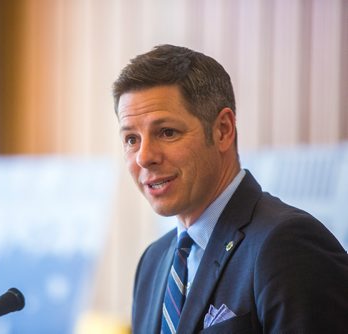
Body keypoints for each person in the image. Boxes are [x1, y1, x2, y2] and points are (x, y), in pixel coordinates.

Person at [112, 44, 348, 334]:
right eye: (131, 139)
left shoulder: (287, 243)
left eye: (167, 132)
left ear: (223, 129)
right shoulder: (153, 262)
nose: (144, 156)